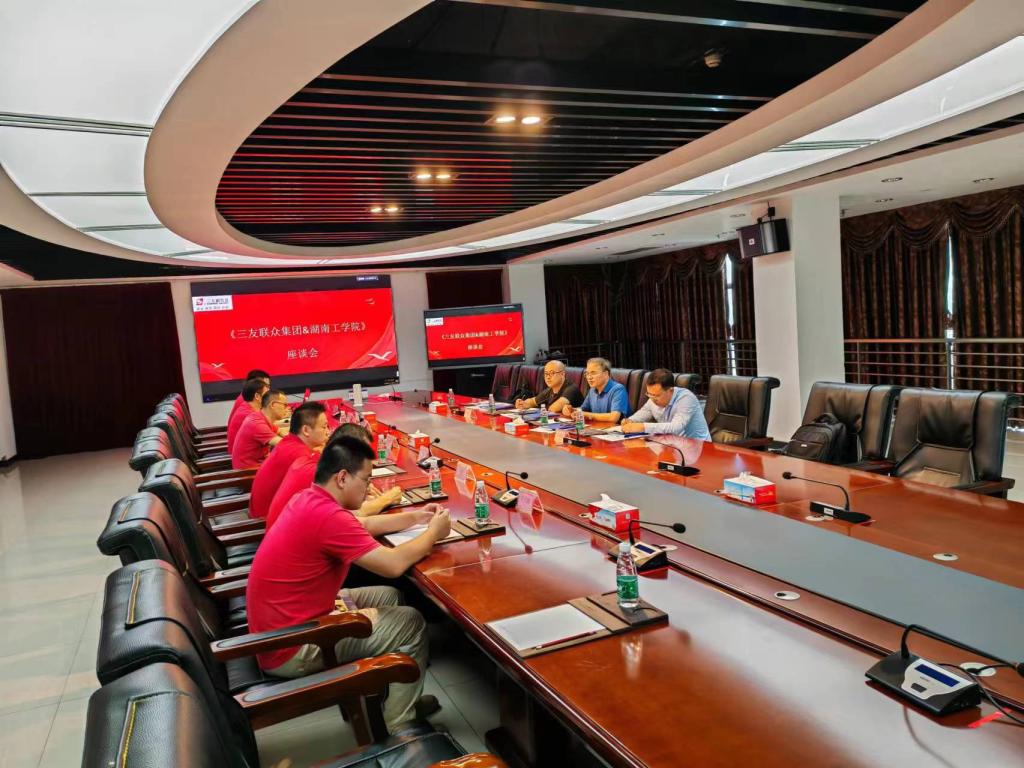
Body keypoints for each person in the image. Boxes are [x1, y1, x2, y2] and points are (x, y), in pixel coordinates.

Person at [246, 435, 451, 731]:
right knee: (411, 622)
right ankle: (401, 723)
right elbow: (392, 565)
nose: (368, 487)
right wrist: (433, 533)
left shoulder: (309, 498)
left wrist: (417, 517)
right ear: (342, 478)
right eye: (365, 480)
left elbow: (363, 524)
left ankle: (392, 692)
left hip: (282, 627)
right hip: (292, 645)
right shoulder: (326, 515)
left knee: (390, 596)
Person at [266, 423, 403, 529]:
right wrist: (387, 498)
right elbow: (353, 516)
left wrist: (359, 485)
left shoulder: (319, 461)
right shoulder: (318, 474)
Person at [248, 402, 331, 520]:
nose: (328, 432)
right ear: (306, 430)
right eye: (324, 427)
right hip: (264, 519)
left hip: (263, 510)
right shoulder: (299, 455)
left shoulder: (290, 442)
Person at [620, 368, 710, 440]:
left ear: (670, 390)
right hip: (672, 444)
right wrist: (631, 420)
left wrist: (643, 427)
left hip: (698, 447)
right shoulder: (653, 397)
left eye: (656, 395)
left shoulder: (686, 398)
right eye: (649, 394)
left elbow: (675, 427)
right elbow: (645, 412)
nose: (652, 399)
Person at [231, 389, 290, 469]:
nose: (287, 408)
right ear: (272, 405)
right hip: (248, 471)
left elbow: (281, 431)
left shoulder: (260, 416)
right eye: (285, 405)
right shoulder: (256, 423)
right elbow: (284, 444)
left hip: (259, 465)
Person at [563, 357, 630, 423]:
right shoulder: (592, 390)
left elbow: (614, 418)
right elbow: (583, 410)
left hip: (617, 428)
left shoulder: (618, 389)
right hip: (598, 427)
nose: (589, 377)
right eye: (587, 373)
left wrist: (587, 415)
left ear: (606, 374)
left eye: (593, 373)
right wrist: (572, 410)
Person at [515, 360, 583, 413]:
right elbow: (533, 401)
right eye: (546, 374)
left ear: (562, 374)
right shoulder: (550, 390)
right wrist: (522, 404)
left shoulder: (572, 389)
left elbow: (554, 409)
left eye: (552, 373)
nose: (548, 377)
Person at [227, 377, 269, 453]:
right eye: (267, 394)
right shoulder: (248, 414)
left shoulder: (248, 406)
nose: (270, 397)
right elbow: (269, 430)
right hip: (243, 455)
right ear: (257, 396)